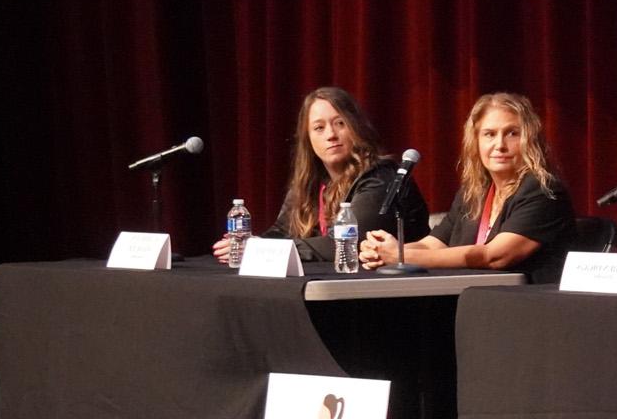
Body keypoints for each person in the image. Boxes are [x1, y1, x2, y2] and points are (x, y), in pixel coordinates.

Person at [359, 92, 574, 283]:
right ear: (476, 142)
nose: (499, 145)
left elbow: (494, 256)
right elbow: (433, 245)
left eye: (512, 133)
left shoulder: (543, 191)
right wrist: (384, 252)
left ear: (530, 140)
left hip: (523, 307)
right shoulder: (475, 192)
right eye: (489, 134)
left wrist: (400, 257)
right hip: (474, 299)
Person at [213, 87, 429, 264]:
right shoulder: (312, 183)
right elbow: (282, 231)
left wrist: (259, 249)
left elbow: (345, 242)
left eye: (340, 124)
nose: (331, 135)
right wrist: (249, 245)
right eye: (319, 128)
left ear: (356, 127)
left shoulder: (381, 178)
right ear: (308, 139)